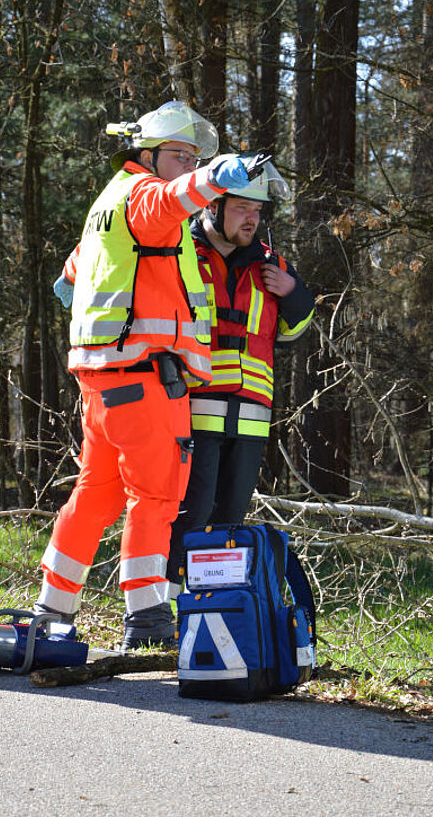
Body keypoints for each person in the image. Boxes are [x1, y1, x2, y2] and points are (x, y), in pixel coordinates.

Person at [39, 101, 259, 652]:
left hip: (105, 378)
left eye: (193, 157)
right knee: (158, 495)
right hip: (146, 376)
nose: (186, 166)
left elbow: (76, 270)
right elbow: (172, 198)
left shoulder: (108, 203)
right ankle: (147, 615)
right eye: (178, 155)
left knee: (97, 493)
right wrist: (216, 175)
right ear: (146, 155)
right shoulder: (145, 198)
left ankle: (52, 608)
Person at [165, 160, 315, 598]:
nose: (252, 218)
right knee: (189, 515)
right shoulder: (182, 254)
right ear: (213, 204)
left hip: (251, 417)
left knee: (231, 519)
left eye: (258, 210)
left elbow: (293, 334)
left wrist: (294, 294)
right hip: (193, 414)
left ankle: (219, 609)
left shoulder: (273, 266)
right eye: (242, 208)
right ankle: (174, 609)